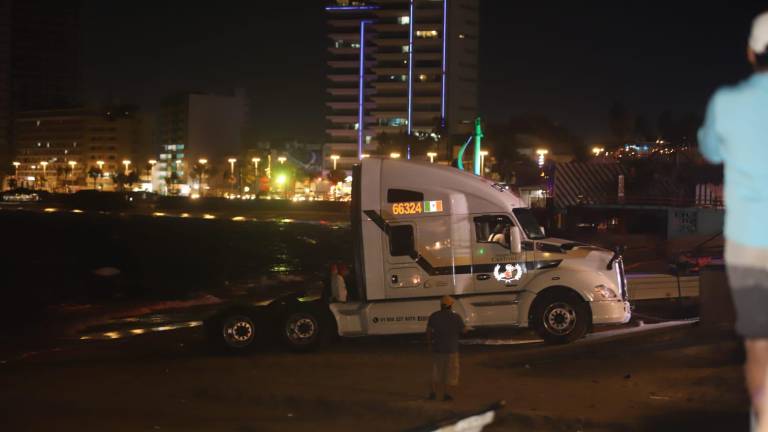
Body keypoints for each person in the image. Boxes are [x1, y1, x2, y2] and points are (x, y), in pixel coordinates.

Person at [698, 10, 768, 430]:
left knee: (760, 345)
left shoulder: (726, 103)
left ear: (750, 53)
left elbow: (711, 149)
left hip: (749, 243)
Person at [427, 295, 467, 401]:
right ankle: (446, 394)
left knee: (436, 372)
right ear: (450, 306)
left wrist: (429, 344)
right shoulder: (456, 317)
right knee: (450, 373)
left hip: (438, 349)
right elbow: (464, 330)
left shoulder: (434, 316)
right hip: (451, 349)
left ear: (441, 305)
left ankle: (433, 393)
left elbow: (428, 332)